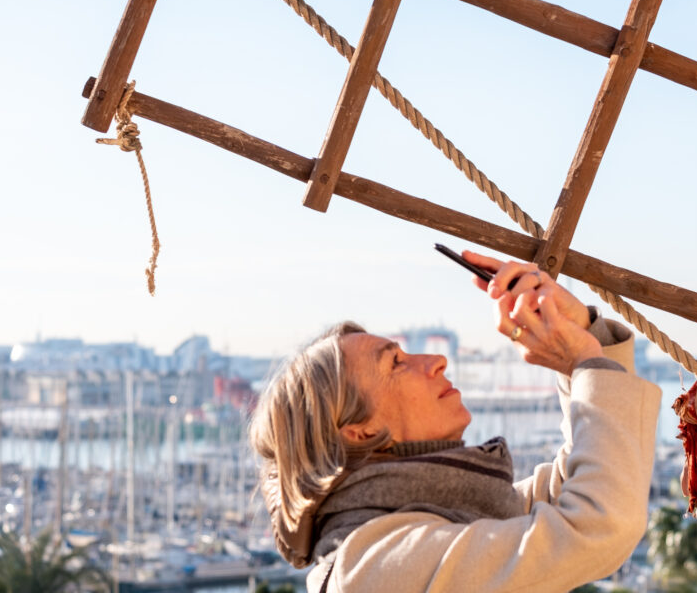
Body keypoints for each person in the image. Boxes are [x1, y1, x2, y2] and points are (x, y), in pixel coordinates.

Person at [249, 250, 662, 592]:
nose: (436, 361)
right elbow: (592, 526)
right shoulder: (371, 568)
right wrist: (585, 362)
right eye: (396, 363)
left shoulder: (424, 527)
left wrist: (587, 340)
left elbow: (572, 489)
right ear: (360, 431)